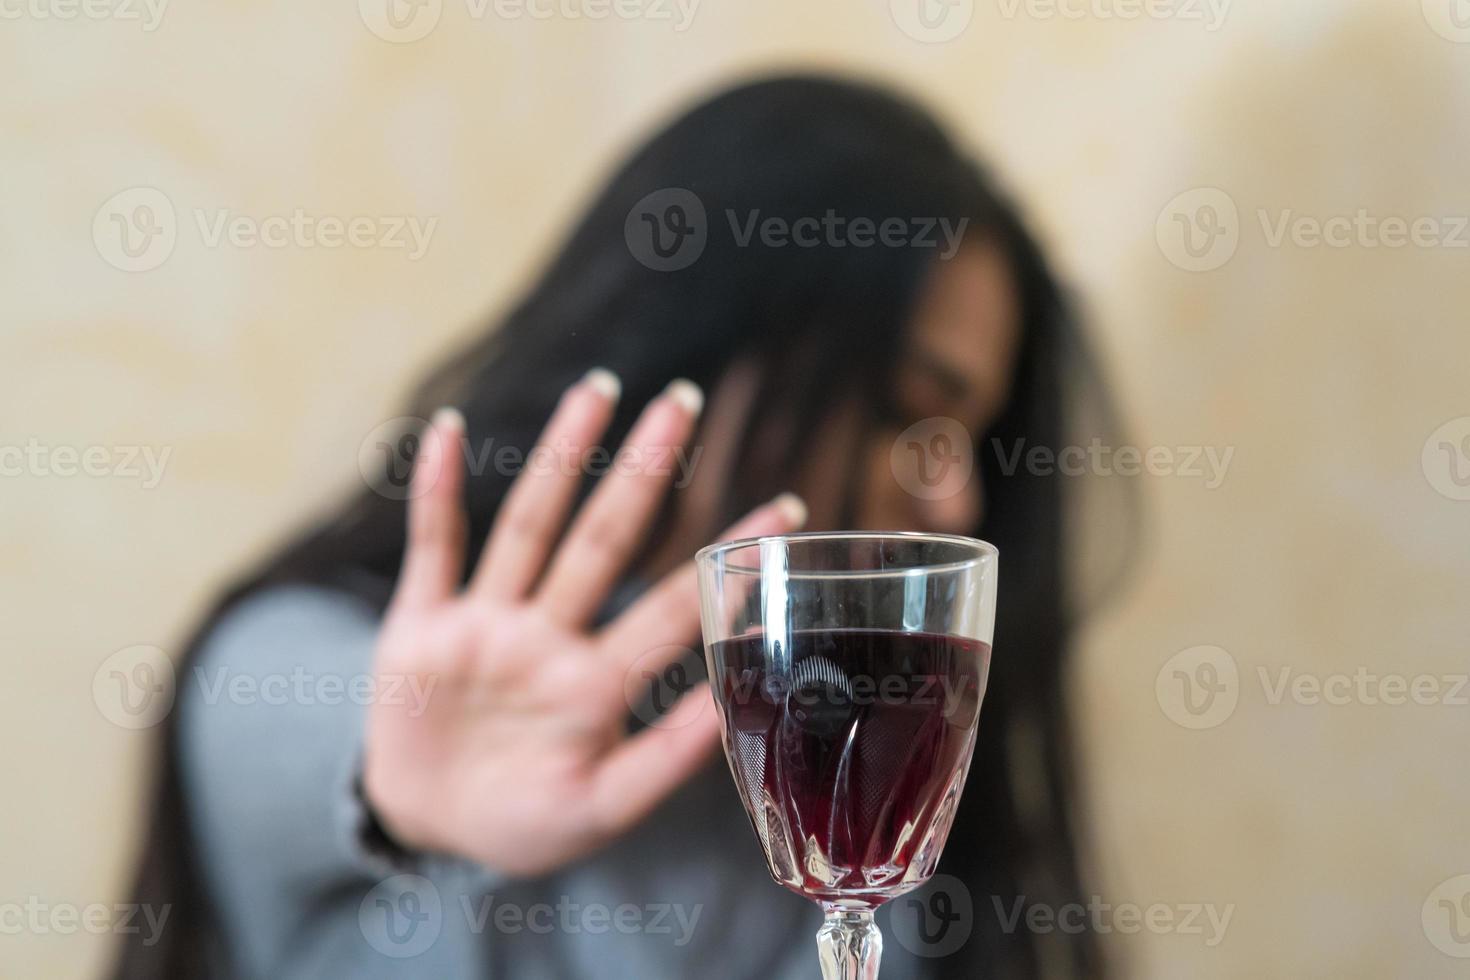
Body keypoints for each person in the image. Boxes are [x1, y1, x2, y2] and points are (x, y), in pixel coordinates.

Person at [114, 73, 1124, 979]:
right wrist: (397, 768)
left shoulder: (888, 780)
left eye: (973, 442)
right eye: (909, 407)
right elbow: (295, 719)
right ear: (719, 336)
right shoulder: (286, 668)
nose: (957, 501)